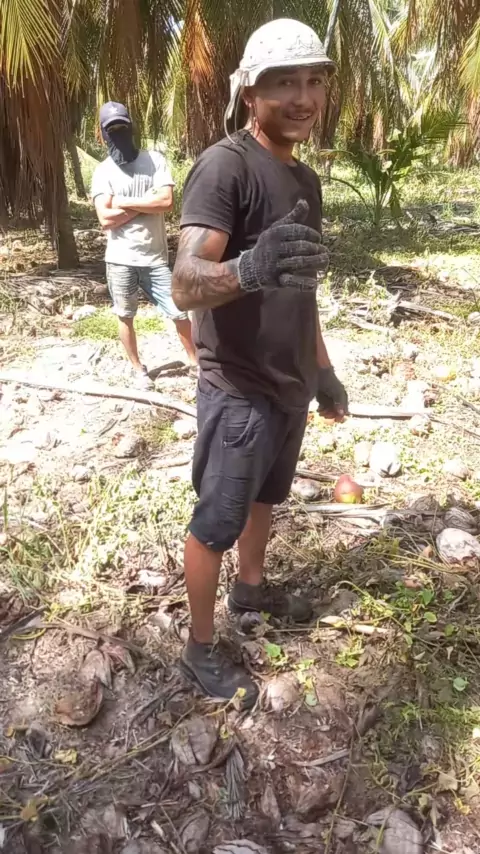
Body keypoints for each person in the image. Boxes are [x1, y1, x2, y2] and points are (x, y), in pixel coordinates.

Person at [172, 19, 349, 707]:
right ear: (250, 92)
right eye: (285, 84)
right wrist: (248, 267)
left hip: (288, 383)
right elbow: (186, 283)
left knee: (265, 497)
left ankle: (250, 591)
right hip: (239, 386)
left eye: (314, 82)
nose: (304, 98)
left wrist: (322, 370)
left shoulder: (304, 178)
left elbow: (302, 288)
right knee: (217, 519)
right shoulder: (227, 167)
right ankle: (199, 648)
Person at [91, 102, 196, 390]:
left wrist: (122, 202)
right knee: (125, 316)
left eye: (122, 127)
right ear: (103, 134)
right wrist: (146, 203)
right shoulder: (103, 172)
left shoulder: (155, 160)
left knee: (179, 312)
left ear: (132, 127)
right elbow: (105, 218)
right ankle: (138, 370)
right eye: (112, 130)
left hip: (155, 259)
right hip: (120, 259)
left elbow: (166, 202)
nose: (118, 134)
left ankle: (195, 362)